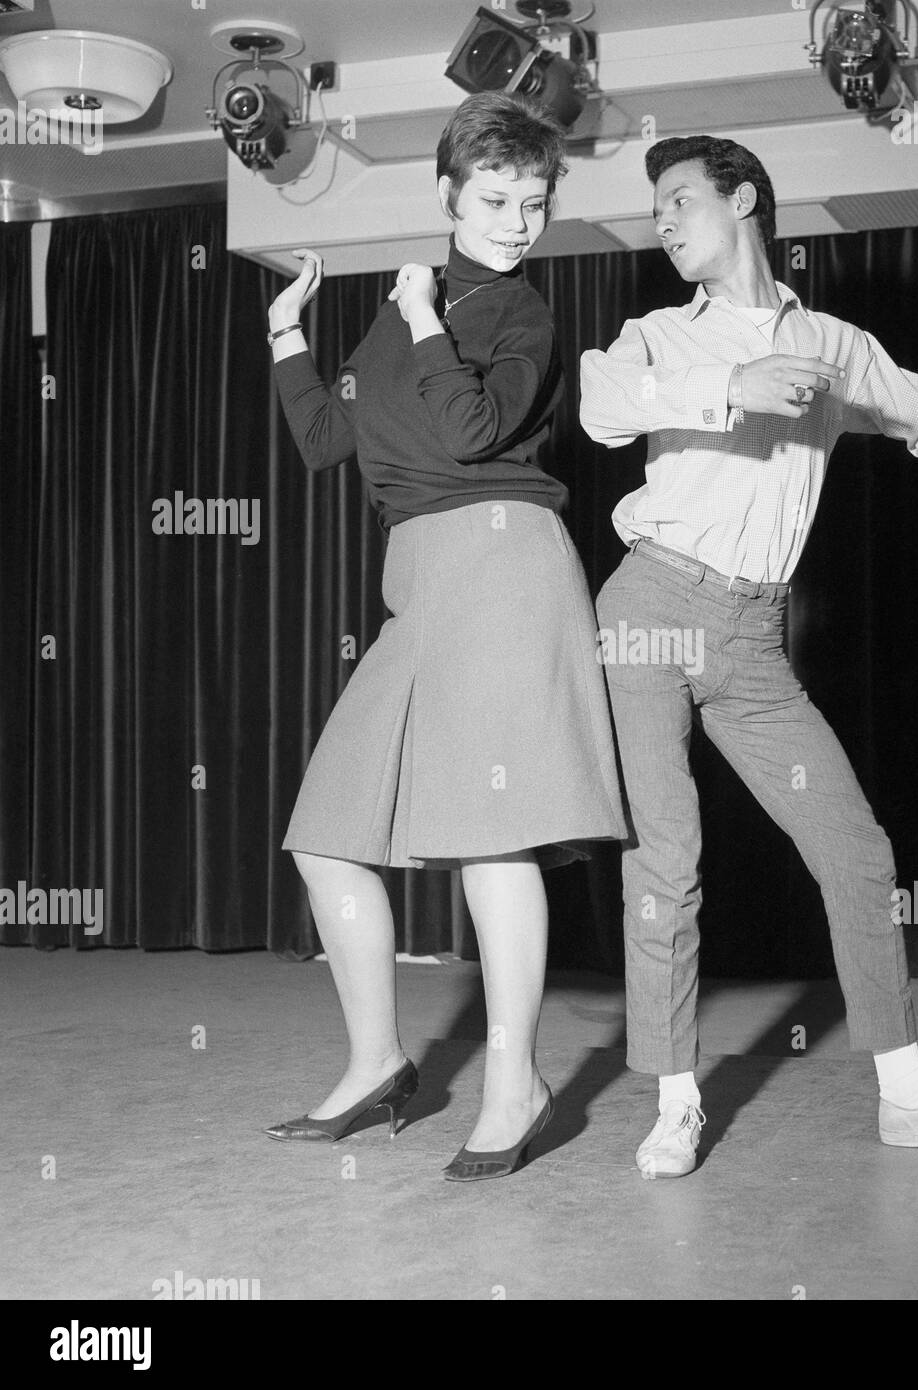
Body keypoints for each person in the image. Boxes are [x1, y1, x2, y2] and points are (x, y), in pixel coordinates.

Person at [579, 135, 918, 1178]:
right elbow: (603, 405)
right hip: (648, 608)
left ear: (744, 199)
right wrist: (731, 382)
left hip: (755, 635)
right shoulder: (656, 334)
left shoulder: (833, 342)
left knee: (857, 851)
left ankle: (909, 1099)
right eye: (656, 207)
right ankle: (677, 1100)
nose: (665, 218)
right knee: (669, 857)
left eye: (681, 197)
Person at [262, 92, 625, 1180]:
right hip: (417, 580)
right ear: (447, 195)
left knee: (489, 834)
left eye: (536, 200)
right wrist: (286, 336)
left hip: (505, 559)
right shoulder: (394, 316)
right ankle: (377, 1060)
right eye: (497, 198)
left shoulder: (521, 315)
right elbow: (329, 441)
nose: (520, 220)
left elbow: (471, 430)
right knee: (327, 836)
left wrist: (425, 317)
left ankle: (515, 1077)